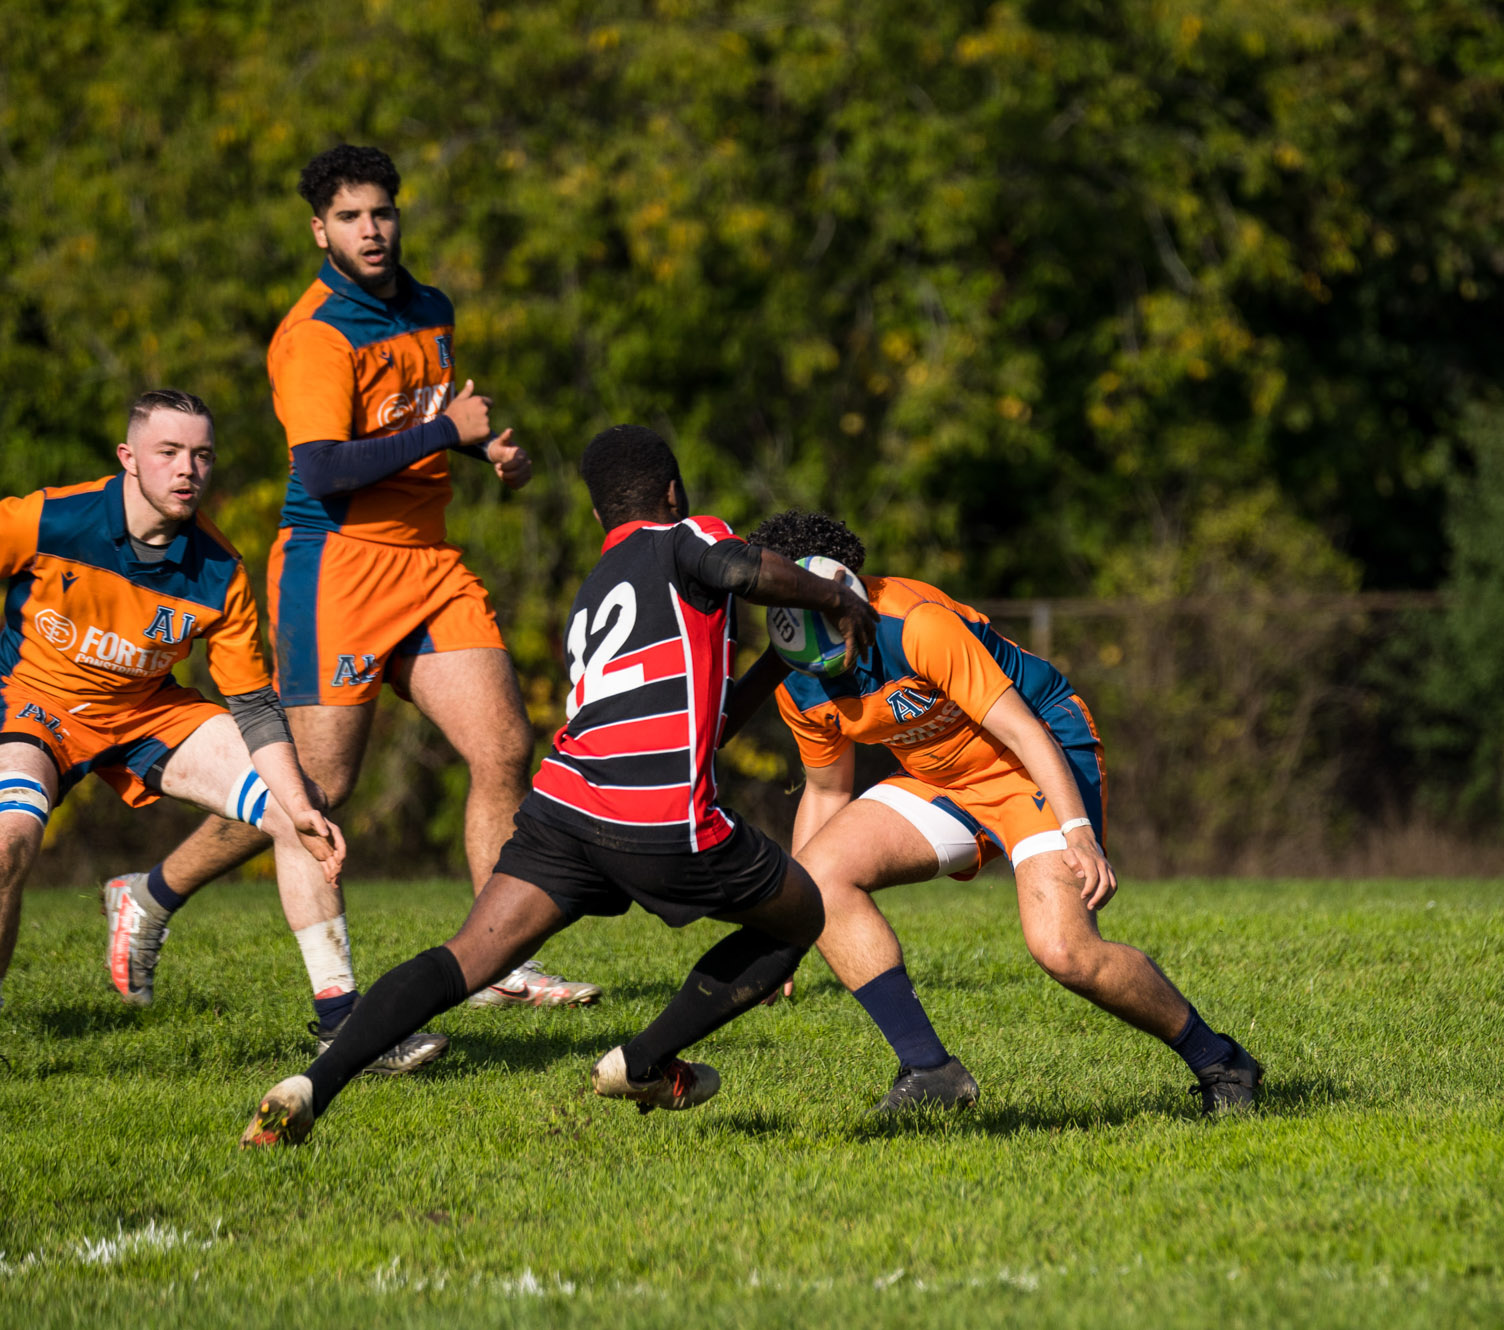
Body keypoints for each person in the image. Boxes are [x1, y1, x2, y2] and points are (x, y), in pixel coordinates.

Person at [240, 426, 877, 1145]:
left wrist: (781, 660)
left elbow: (714, 719)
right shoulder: (686, 536)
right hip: (659, 815)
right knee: (799, 915)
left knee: (463, 958)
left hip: (566, 809)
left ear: (602, 515)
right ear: (673, 494)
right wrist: (835, 599)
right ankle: (644, 1060)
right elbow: (733, 563)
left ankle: (311, 1085)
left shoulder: (596, 589)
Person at [101, 144, 600, 1020]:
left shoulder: (431, 307)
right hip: (338, 567)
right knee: (314, 793)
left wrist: (488, 449)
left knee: (505, 749)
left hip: (430, 561)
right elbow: (327, 470)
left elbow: (415, 420)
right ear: (318, 230)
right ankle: (150, 892)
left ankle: (499, 958)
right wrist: (449, 430)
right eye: (350, 217)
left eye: (382, 212)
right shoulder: (314, 335)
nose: (371, 230)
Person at [733, 510, 1262, 1115]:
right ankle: (930, 1070)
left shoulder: (918, 626)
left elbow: (1023, 729)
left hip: (1036, 754)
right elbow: (827, 793)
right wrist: (790, 922)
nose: (837, 671)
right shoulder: (794, 678)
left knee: (1064, 950)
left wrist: (1079, 834)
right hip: (942, 779)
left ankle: (1221, 1062)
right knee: (819, 879)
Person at [0, 390, 351, 1025]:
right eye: (169, 452)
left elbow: (253, 704)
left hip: (146, 713)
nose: (188, 469)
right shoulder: (46, 520)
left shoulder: (221, 569)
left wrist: (300, 805)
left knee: (297, 813)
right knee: (8, 841)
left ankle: (346, 1027)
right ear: (129, 458)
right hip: (34, 703)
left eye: (202, 455)